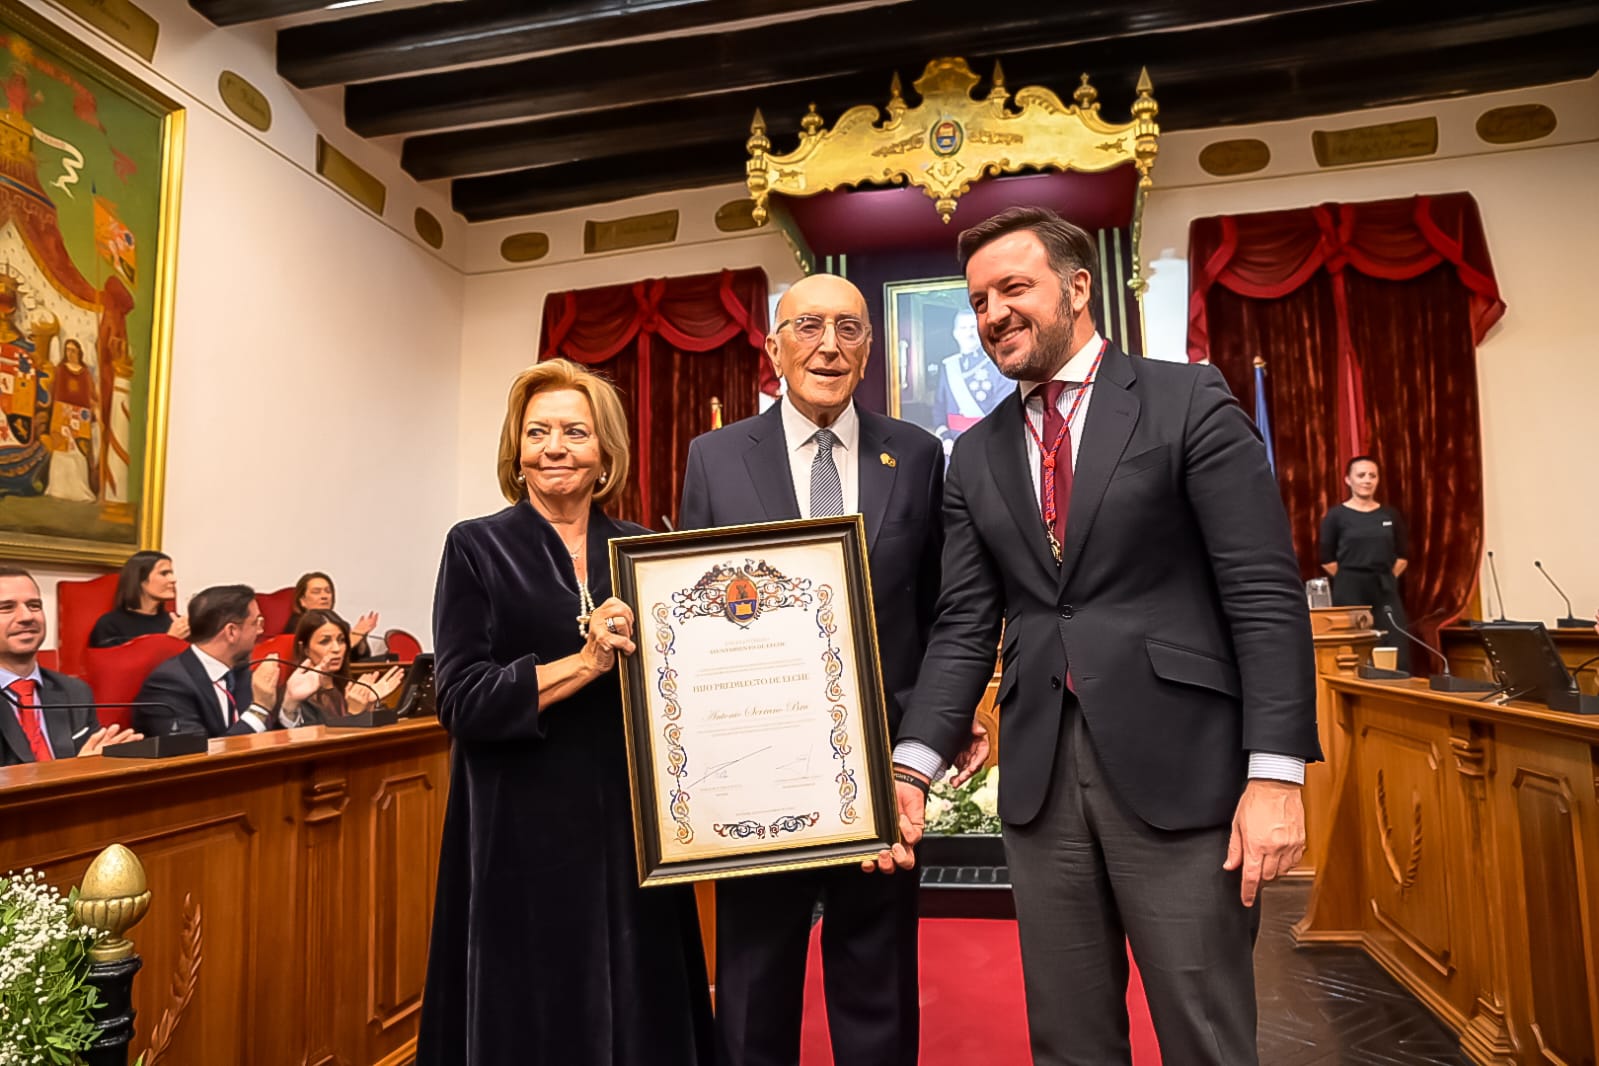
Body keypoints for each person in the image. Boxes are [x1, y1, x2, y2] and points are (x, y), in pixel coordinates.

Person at [878, 207, 1321, 1066]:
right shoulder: (973, 456)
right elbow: (965, 623)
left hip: (1184, 774)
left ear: (1078, 287)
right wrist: (912, 764)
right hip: (1041, 784)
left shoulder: (1184, 397)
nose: (993, 314)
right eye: (977, 302)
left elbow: (1263, 593)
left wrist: (1275, 776)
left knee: (1204, 1037)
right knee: (1070, 1043)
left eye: (1013, 288)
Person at [676, 273, 946, 1066]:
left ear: (870, 349)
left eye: (848, 329)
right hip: (754, 768)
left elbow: (938, 610)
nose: (828, 345)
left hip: (880, 766)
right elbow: (691, 615)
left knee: (876, 980)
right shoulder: (715, 457)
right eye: (807, 326)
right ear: (773, 345)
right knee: (756, 982)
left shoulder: (918, 453)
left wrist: (931, 731)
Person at [417, 359, 711, 1066]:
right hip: (519, 828)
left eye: (575, 431)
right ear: (515, 451)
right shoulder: (476, 545)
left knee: (642, 1004)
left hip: (630, 824)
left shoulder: (642, 548)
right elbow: (459, 701)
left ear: (604, 452)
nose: (555, 447)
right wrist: (585, 662)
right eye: (537, 431)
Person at [0, 565, 142, 764]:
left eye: (34, 605)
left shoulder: (74, 691)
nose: (27, 617)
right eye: (6, 608)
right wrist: (75, 769)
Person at [131, 585, 294, 738]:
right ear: (231, 631)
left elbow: (267, 738)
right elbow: (199, 757)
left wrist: (291, 704)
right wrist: (260, 709)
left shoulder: (241, 672)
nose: (260, 631)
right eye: (255, 623)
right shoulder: (169, 684)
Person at [1320, 455, 1411, 671]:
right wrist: (1351, 578)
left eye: (1372, 475)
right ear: (1348, 480)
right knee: (1351, 645)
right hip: (1349, 586)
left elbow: (1403, 555)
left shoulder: (1390, 514)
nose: (1367, 480)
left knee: (1396, 641)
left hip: (1384, 586)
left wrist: (1387, 577)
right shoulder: (1336, 516)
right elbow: (1326, 559)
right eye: (1361, 475)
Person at [282, 609, 403, 726]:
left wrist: (368, 707)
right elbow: (322, 744)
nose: (337, 649)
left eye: (341, 640)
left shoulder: (347, 686)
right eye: (325, 641)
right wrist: (354, 713)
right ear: (305, 649)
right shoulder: (297, 694)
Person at [931, 307, 1013, 451]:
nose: (968, 333)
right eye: (963, 328)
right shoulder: (948, 366)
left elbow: (1004, 412)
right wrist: (945, 437)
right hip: (953, 446)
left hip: (987, 445)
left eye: (972, 328)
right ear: (955, 333)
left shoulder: (997, 364)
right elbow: (939, 408)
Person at [88, 550, 190, 647]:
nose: (173, 579)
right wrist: (169, 640)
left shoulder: (176, 623)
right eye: (164, 573)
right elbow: (115, 663)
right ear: (140, 579)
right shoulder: (110, 624)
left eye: (171, 573)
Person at [283, 571, 379, 660]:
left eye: (328, 591)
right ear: (302, 600)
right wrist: (351, 641)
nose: (324, 596)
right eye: (316, 592)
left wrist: (361, 637)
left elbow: (360, 659)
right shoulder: (298, 624)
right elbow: (309, 658)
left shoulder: (337, 621)